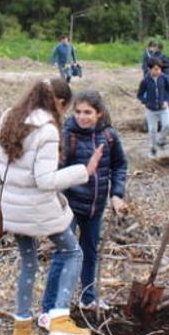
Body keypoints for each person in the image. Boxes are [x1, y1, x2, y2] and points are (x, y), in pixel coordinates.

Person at [0, 78, 96, 335]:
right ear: (59, 103)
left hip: (12, 207)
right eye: (66, 109)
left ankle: (21, 329)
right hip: (38, 209)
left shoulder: (8, 118)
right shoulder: (47, 130)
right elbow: (45, 180)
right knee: (72, 251)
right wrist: (84, 171)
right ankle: (59, 317)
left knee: (29, 263)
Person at [43, 90, 127, 316]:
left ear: (99, 113)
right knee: (64, 254)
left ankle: (88, 298)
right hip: (68, 206)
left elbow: (119, 165)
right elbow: (55, 172)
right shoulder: (66, 135)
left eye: (88, 112)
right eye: (78, 112)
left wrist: (116, 194)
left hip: (95, 207)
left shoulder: (109, 136)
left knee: (90, 252)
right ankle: (49, 308)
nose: (82, 117)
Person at [137, 61, 169, 157]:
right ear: (150, 69)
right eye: (156, 69)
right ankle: (153, 149)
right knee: (152, 130)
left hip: (163, 107)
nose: (158, 71)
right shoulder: (145, 81)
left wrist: (167, 101)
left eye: (159, 69)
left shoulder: (165, 78)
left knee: (168, 125)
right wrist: (146, 101)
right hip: (151, 109)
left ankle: (160, 141)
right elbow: (139, 95)